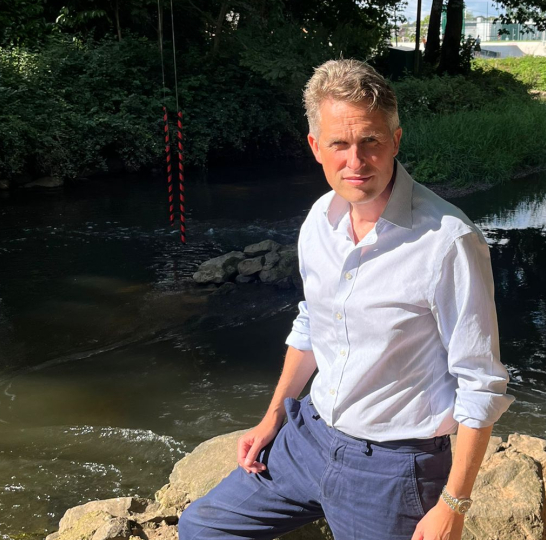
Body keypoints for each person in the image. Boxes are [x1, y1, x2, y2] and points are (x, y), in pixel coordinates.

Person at [178, 59, 514, 540]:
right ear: (316, 147)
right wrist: (273, 417)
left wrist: (453, 505)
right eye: (339, 144)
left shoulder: (448, 242)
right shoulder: (320, 219)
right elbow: (313, 322)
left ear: (395, 140)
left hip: (394, 468)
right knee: (204, 528)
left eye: (371, 141)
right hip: (307, 437)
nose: (355, 162)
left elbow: (480, 384)